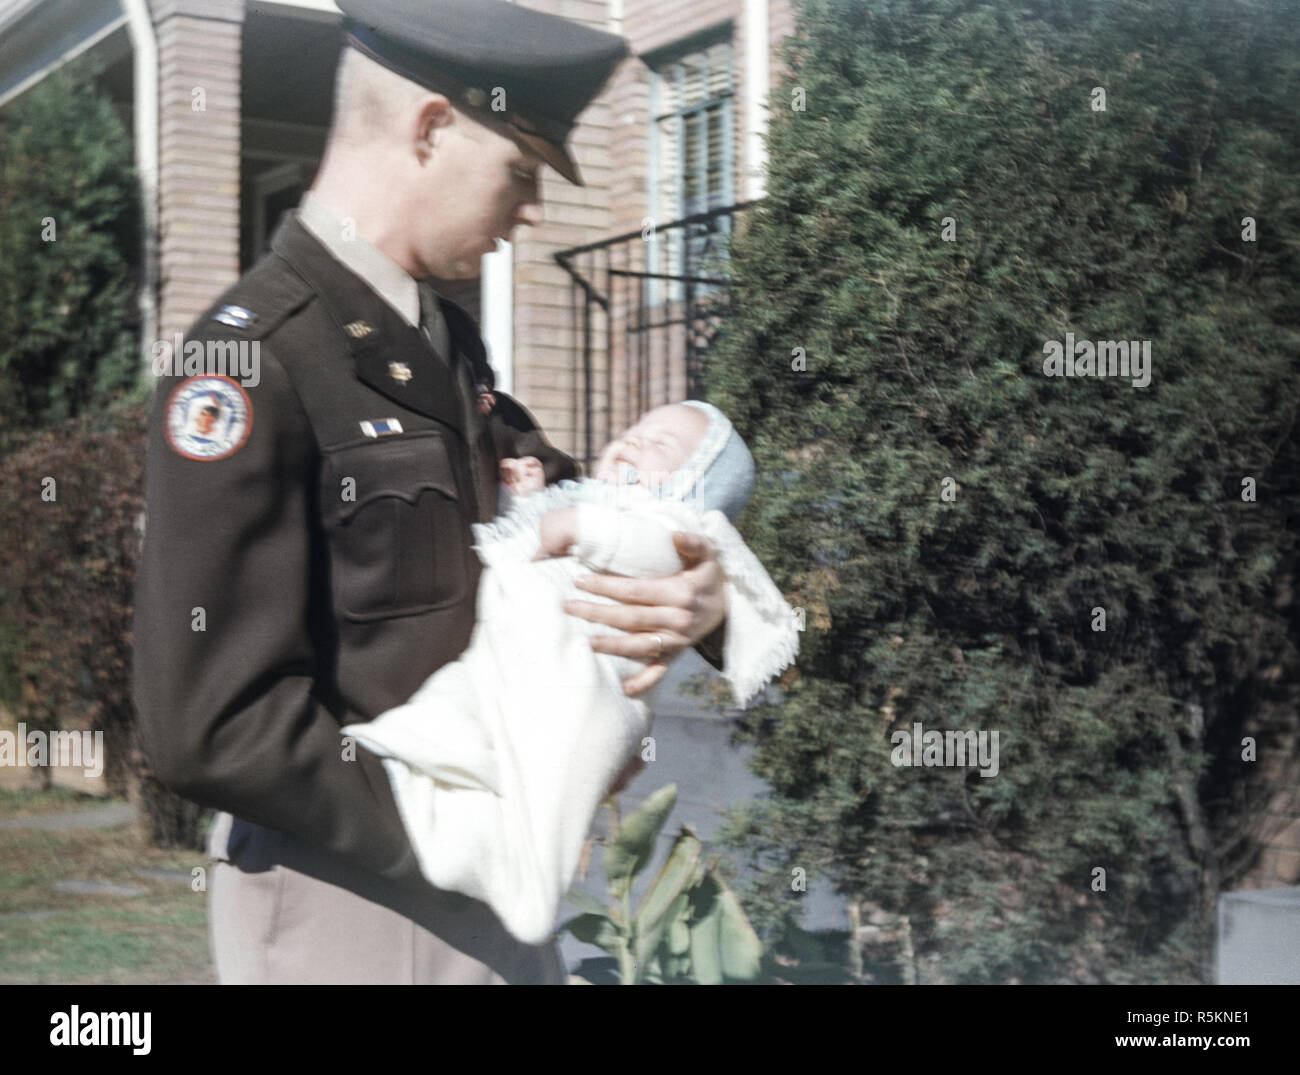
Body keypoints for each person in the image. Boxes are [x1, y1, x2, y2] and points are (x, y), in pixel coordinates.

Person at [131, 0, 730, 985]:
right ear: (430, 127)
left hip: (485, 884)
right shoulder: (249, 359)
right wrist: (477, 814)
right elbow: (208, 724)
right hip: (351, 896)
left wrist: (701, 595)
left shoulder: (439, 342)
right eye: (522, 172)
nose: (531, 211)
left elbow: (569, 494)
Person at [343, 401, 800, 946]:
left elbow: (653, 550)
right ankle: (449, 830)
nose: (633, 441)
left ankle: (533, 896)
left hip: (588, 695)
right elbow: (529, 539)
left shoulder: (667, 523)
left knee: (548, 802)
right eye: (634, 430)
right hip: (512, 667)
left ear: (694, 487)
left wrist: (584, 526)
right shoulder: (594, 501)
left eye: (661, 446)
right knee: (457, 728)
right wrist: (529, 501)